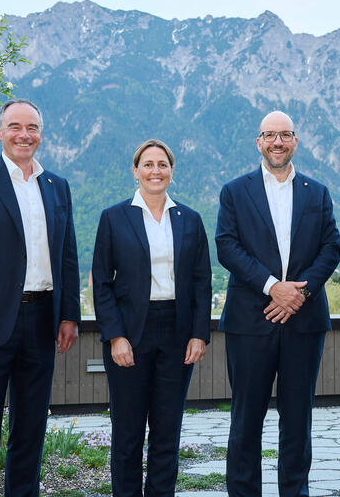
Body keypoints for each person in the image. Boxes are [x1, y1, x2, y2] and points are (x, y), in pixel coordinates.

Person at [0, 99, 81, 497]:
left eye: (33, 127)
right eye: (16, 126)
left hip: (42, 322)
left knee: (30, 435)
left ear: (41, 133)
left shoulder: (57, 186)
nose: (25, 134)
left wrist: (69, 315)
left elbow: (67, 256)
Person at [215, 111, 340, 497]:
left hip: (304, 321)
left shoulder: (316, 192)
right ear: (259, 142)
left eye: (285, 135)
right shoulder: (235, 191)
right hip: (250, 322)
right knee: (246, 419)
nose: (277, 142)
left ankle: (294, 491)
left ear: (295, 142)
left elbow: (331, 247)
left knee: (298, 419)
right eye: (270, 135)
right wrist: (273, 287)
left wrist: (298, 294)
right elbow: (226, 246)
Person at [92, 139, 211, 497]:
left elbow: (202, 280)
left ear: (171, 171)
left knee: (166, 432)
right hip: (130, 334)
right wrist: (115, 336)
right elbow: (101, 282)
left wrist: (198, 334)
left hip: (177, 333)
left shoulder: (190, 218)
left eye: (162, 164)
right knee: (127, 433)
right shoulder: (114, 217)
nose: (155, 171)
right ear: (135, 171)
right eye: (148, 164)